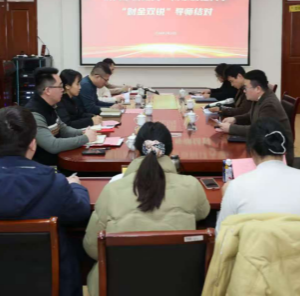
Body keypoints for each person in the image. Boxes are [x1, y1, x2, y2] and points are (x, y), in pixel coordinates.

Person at [0, 106, 91, 296]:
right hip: (48, 286)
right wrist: (75, 186)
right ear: (33, 144)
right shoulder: (54, 183)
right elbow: (81, 212)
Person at [83, 122, 210, 296]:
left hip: (121, 286)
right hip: (178, 285)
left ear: (136, 152)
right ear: (170, 153)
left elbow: (92, 247)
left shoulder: (112, 189)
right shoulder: (191, 185)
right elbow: (204, 212)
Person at [217, 118, 300, 232]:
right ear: (284, 149)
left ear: (251, 151)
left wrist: (226, 196)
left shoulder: (235, 187)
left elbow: (222, 235)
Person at [217, 70, 295, 165]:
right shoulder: (260, 97)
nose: (244, 91)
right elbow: (250, 115)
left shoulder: (269, 105)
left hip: (277, 155)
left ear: (258, 89)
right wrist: (235, 119)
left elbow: (260, 131)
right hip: (265, 148)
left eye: (246, 88)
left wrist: (231, 128)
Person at [25, 67, 98, 166]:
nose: (62, 90)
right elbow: (52, 145)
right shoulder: (34, 113)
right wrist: (85, 138)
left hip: (60, 159)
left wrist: (82, 132)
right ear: (48, 90)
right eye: (60, 86)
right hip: (46, 167)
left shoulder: (50, 105)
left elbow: (63, 129)